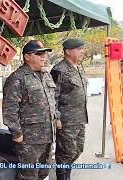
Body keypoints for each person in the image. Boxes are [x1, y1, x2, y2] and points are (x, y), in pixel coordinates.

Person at [3, 40, 59, 180]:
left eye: (45, 54)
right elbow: (10, 109)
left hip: (48, 135)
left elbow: (52, 100)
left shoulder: (46, 75)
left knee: (43, 172)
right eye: (39, 54)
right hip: (29, 140)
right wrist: (16, 132)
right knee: (28, 175)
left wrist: (56, 118)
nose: (44, 57)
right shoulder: (17, 78)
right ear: (27, 56)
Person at [50, 38, 88, 180]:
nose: (82, 51)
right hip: (66, 122)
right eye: (79, 49)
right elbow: (52, 96)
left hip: (79, 119)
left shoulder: (78, 67)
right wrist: (56, 118)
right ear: (68, 51)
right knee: (65, 153)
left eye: (82, 48)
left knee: (77, 149)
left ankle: (67, 176)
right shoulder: (59, 70)